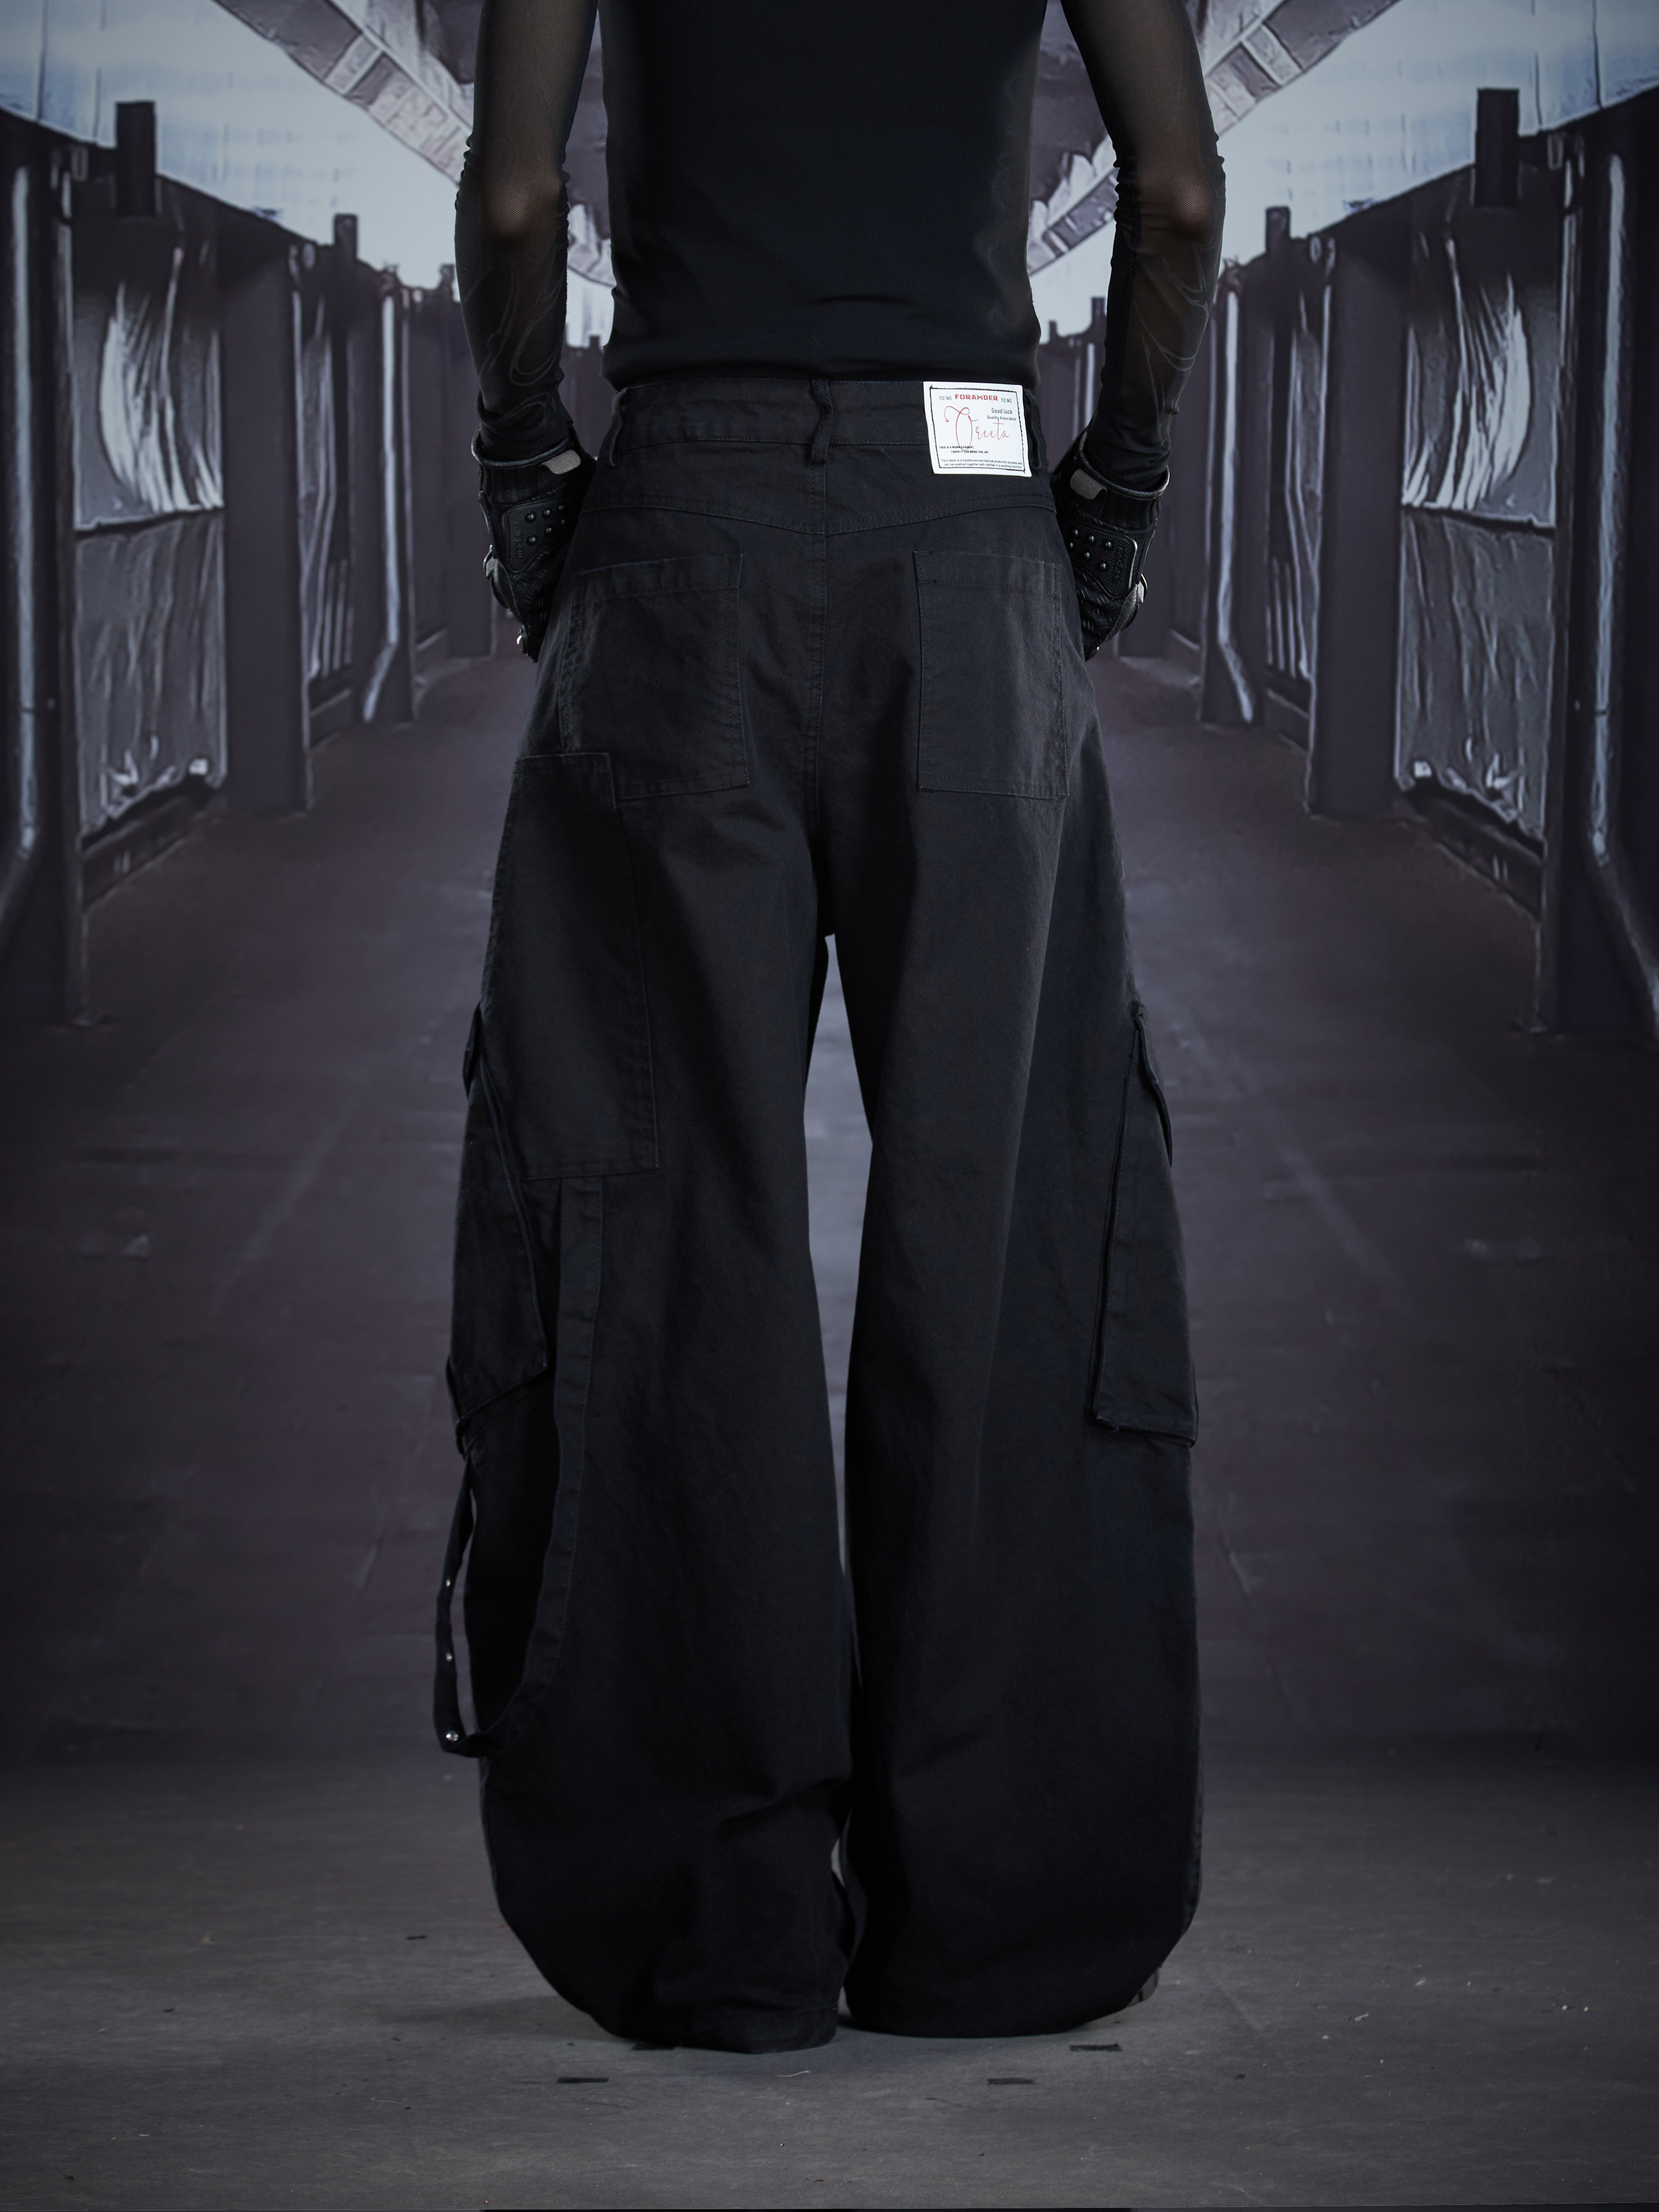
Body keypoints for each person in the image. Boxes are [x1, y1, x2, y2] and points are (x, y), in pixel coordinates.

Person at [434, 0, 1224, 2054]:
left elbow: (513, 200)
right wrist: (1113, 489)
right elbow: (1176, 188)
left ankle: (720, 1925)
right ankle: (998, 1919)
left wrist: (527, 463)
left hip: (683, 536)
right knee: (1008, 1204)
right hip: (971, 530)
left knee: (655, 1200)